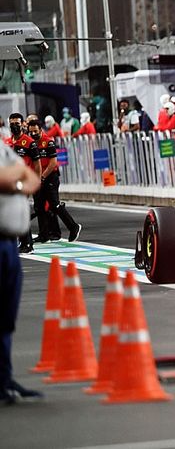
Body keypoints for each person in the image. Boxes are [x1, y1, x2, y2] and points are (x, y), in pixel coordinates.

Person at [0, 143, 43, 405]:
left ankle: (3, 380)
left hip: (8, 243)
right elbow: (11, 177)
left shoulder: (3, 148)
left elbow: (32, 177)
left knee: (5, 318)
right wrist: (16, 178)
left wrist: (14, 178)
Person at [27, 118, 75, 242]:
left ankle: (73, 227)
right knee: (39, 206)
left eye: (35, 131)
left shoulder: (48, 142)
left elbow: (53, 163)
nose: (33, 134)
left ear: (41, 130)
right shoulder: (29, 143)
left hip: (50, 176)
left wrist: (42, 176)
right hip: (36, 177)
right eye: (31, 132)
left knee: (54, 204)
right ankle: (44, 235)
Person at [5, 114, 35, 253]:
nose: (14, 126)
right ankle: (22, 242)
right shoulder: (7, 142)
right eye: (12, 124)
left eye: (17, 123)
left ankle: (28, 244)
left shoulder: (29, 142)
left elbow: (37, 164)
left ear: (22, 124)